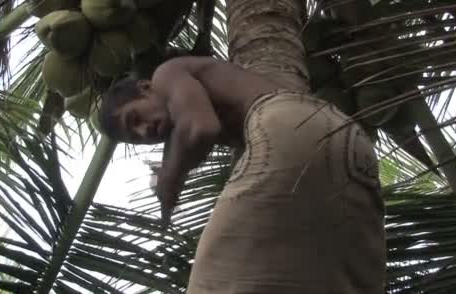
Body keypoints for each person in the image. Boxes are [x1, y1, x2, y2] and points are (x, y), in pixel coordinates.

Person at [99, 56, 386, 293]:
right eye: (135, 138)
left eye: (134, 118)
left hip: (286, 121)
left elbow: (201, 128)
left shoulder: (166, 74)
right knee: (340, 278)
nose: (144, 131)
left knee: (212, 283)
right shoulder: (187, 107)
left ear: (145, 87)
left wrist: (169, 181)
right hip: (349, 139)